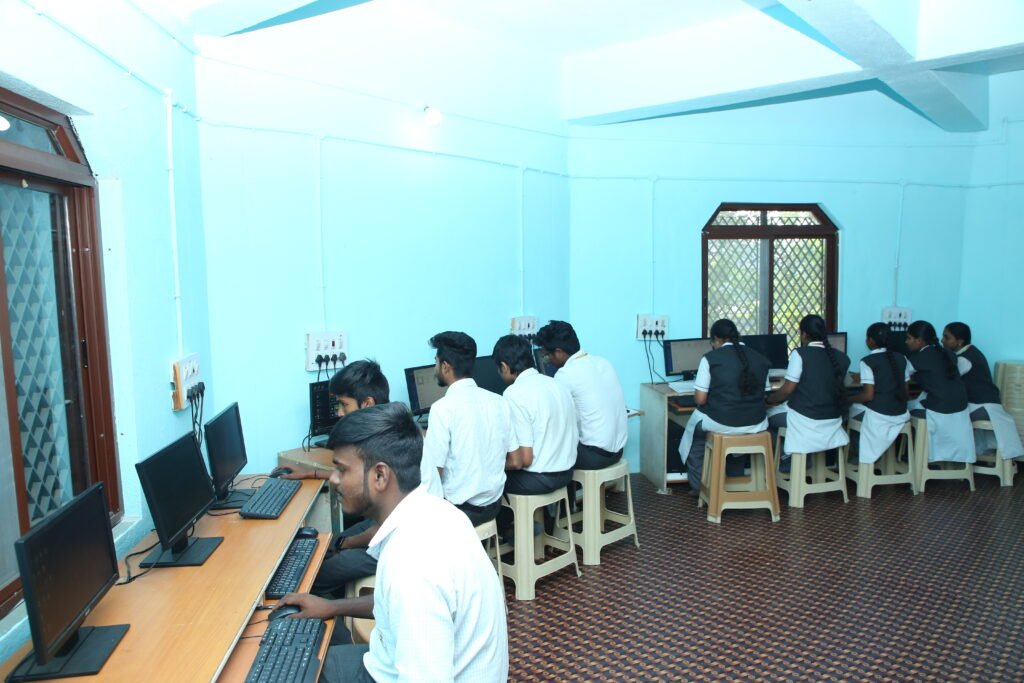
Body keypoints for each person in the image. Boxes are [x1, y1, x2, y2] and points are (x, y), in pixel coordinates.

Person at [277, 403, 508, 683]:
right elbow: (395, 606)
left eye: (342, 470)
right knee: (305, 661)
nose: (334, 479)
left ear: (380, 475)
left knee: (289, 673)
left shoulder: (410, 562)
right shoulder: (437, 512)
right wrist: (331, 607)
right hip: (388, 662)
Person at [272, 360, 390, 596]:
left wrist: (342, 545)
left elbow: (383, 530)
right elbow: (360, 478)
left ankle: (329, 615)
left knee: (315, 574)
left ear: (367, 403)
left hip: (393, 543)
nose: (339, 412)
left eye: (344, 405)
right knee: (324, 547)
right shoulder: (384, 429)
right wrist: (313, 473)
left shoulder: (387, 446)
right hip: (380, 528)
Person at [421, 331, 514, 525]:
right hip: (494, 505)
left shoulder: (442, 408)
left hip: (461, 512)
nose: (435, 368)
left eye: (436, 362)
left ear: (445, 366)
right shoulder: (499, 401)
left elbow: (434, 472)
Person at [679, 319, 771, 494]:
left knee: (695, 439)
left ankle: (699, 487)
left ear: (717, 339)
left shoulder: (710, 359)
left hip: (722, 422)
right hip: (756, 423)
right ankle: (735, 479)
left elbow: (700, 399)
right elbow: (765, 394)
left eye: (712, 342)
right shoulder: (760, 358)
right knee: (739, 436)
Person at [534, 320, 627, 469]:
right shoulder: (603, 362)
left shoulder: (565, 374)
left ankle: (562, 485)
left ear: (558, 352)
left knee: (546, 448)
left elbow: (555, 417)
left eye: (547, 355)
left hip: (595, 457)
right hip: (618, 452)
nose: (548, 360)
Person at [493, 334, 578, 495]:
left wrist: (493, 464)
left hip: (539, 479)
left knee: (489, 481)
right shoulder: (557, 384)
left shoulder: (514, 393)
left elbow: (524, 459)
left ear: (504, 366)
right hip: (567, 474)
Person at [767, 314, 851, 457]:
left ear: (804, 334)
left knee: (764, 418)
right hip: (832, 419)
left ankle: (786, 458)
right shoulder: (842, 358)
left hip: (804, 419)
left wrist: (769, 400)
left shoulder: (800, 354)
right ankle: (802, 457)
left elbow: (787, 390)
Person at [942, 322, 1024, 459]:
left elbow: (947, 382)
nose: (942, 340)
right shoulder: (973, 352)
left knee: (947, 416)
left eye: (947, 337)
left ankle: (953, 457)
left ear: (960, 341)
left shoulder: (964, 359)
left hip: (982, 406)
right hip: (988, 404)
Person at [904, 320, 974, 463]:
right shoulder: (948, 353)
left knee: (905, 410)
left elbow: (901, 377)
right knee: (918, 401)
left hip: (940, 407)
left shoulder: (917, 358)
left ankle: (914, 457)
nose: (906, 342)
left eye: (909, 338)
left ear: (919, 341)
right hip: (961, 405)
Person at [848, 323, 911, 464]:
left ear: (870, 340)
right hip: (901, 415)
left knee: (848, 412)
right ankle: (880, 455)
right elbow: (906, 393)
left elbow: (868, 396)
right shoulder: (902, 358)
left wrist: (849, 399)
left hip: (879, 417)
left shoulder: (867, 361)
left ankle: (859, 455)